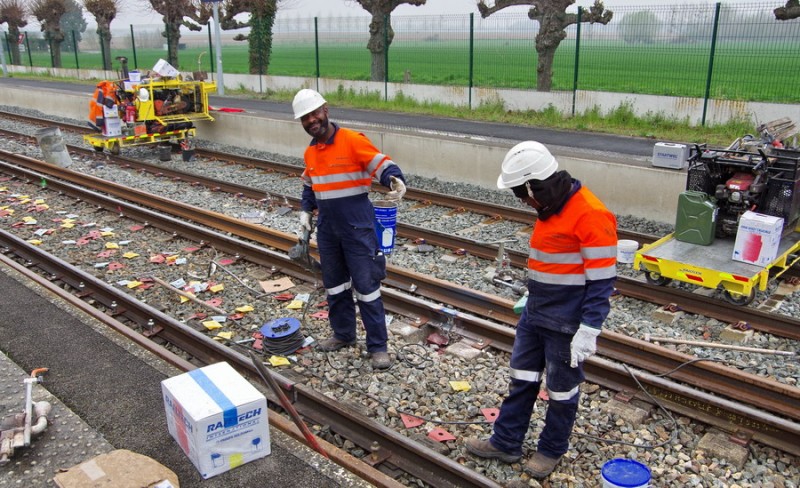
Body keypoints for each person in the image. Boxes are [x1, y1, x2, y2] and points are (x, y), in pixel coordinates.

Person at [465, 141, 617, 479]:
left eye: (522, 193)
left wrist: (590, 328)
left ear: (536, 185)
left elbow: (602, 282)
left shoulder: (590, 214)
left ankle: (551, 450)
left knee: (561, 391)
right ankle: (506, 441)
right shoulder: (549, 206)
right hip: (535, 313)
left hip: (566, 323)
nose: (522, 200)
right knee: (522, 379)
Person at [292, 88, 406, 370]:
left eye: (314, 114)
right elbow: (309, 186)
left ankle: (378, 347)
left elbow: (382, 165)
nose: (311, 121)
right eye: (305, 118)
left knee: (367, 289)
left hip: (358, 228)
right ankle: (343, 334)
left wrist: (395, 179)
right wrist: (306, 211)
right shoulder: (311, 152)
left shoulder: (352, 141)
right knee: (335, 287)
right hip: (329, 231)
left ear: (325, 110)